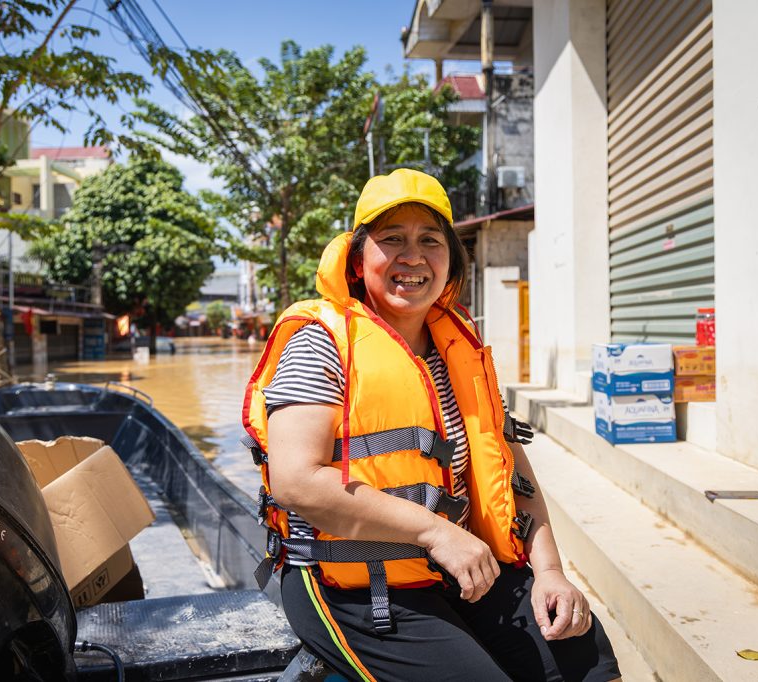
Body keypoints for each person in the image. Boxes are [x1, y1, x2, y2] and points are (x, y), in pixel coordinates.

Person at [242, 169, 621, 681]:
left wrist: (549, 572)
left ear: (451, 260)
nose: (412, 256)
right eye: (391, 239)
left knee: (583, 654)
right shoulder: (320, 343)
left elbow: (512, 469)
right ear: (358, 260)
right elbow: (296, 480)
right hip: (350, 585)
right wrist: (434, 532)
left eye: (429, 240)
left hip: (455, 569)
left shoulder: (456, 348)